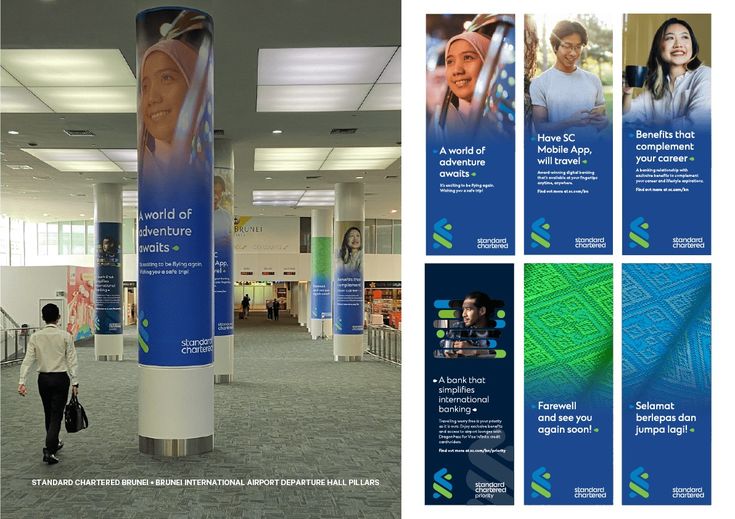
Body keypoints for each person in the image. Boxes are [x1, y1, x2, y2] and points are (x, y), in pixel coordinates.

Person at [18, 303, 79, 465]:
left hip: (43, 379)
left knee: (48, 412)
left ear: (43, 318)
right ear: (58, 318)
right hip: (60, 378)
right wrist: (75, 382)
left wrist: (22, 381)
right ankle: (49, 449)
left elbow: (27, 361)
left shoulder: (35, 337)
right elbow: (72, 360)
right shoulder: (65, 336)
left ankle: (54, 441)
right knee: (56, 414)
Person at [623, 17, 710, 129]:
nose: (678, 44)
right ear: (658, 47)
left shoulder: (704, 75)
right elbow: (626, 116)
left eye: (684, 37)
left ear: (692, 45)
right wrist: (627, 93)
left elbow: (698, 123)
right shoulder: (655, 86)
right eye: (670, 38)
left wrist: (653, 126)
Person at [529, 20, 608, 134]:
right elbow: (541, 128)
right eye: (567, 46)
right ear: (555, 47)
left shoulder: (593, 80)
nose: (573, 53)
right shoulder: (540, 83)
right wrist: (570, 122)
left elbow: (602, 117)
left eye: (578, 47)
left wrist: (603, 122)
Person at [443, 291, 496, 358]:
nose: (463, 314)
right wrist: (448, 352)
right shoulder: (458, 327)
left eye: (468, 309)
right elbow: (442, 345)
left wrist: (474, 350)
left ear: (482, 311)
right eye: (463, 309)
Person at [213, 175, 232, 242]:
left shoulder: (227, 216)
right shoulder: (197, 214)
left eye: (219, 192)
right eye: (214, 192)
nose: (216, 196)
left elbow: (230, 237)